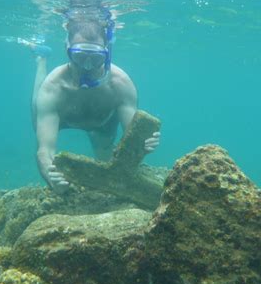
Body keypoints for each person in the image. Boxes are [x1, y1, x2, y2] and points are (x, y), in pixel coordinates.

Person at [25, 15, 160, 194]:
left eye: (96, 58)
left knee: (104, 153)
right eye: (79, 57)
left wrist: (145, 144)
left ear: (107, 53)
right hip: (64, 116)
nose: (87, 67)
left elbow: (134, 139)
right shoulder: (53, 88)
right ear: (67, 49)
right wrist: (51, 176)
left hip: (101, 121)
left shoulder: (121, 85)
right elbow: (45, 151)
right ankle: (41, 59)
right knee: (37, 114)